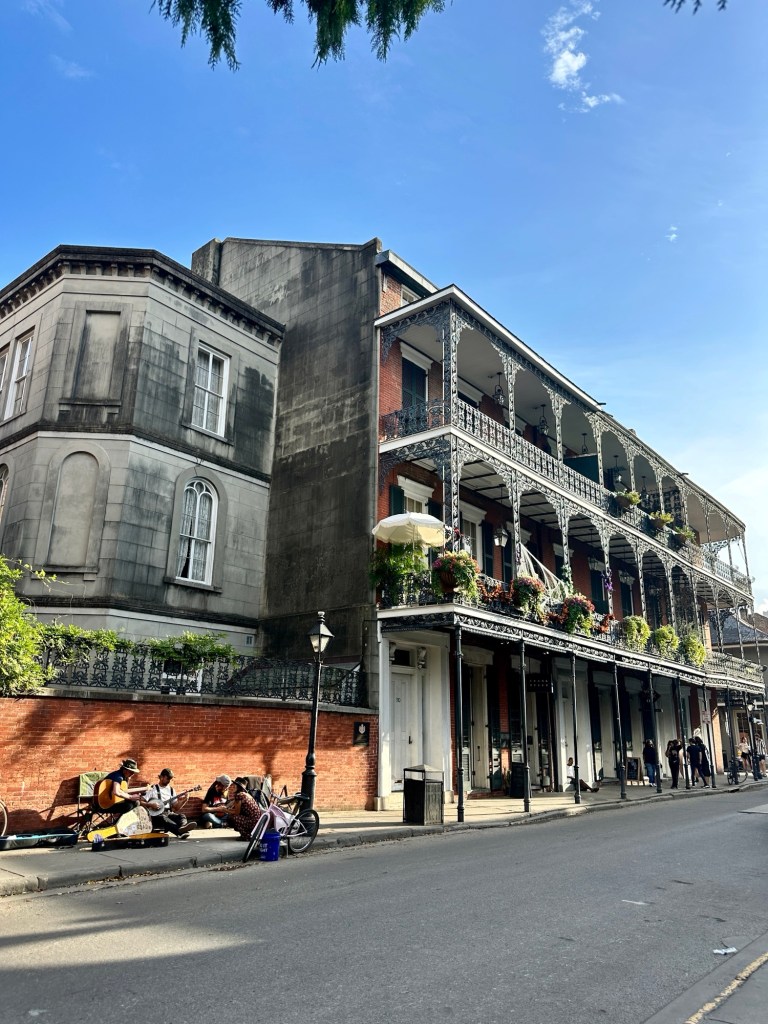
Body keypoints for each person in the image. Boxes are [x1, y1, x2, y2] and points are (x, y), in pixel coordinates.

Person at [143, 768, 196, 837]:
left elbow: (176, 807)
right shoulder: (152, 789)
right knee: (164, 819)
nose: (169, 781)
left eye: (170, 779)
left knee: (181, 816)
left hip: (168, 813)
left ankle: (183, 828)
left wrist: (185, 800)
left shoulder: (171, 790)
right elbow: (140, 802)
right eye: (168, 778)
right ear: (161, 777)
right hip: (156, 816)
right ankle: (180, 832)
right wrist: (150, 804)